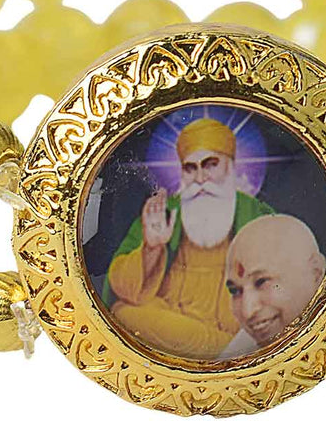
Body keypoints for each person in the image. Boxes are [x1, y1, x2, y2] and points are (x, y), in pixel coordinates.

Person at [104, 117, 274, 360]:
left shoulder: (256, 212)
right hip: (170, 311)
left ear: (231, 166)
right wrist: (151, 247)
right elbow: (122, 288)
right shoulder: (163, 211)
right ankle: (227, 351)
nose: (200, 178)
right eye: (190, 168)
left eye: (211, 164)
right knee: (123, 314)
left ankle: (222, 350)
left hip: (230, 316)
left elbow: (279, 282)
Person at [218, 215, 326, 360]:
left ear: (316, 273)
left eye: (261, 281)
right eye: (235, 291)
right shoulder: (236, 357)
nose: (248, 312)